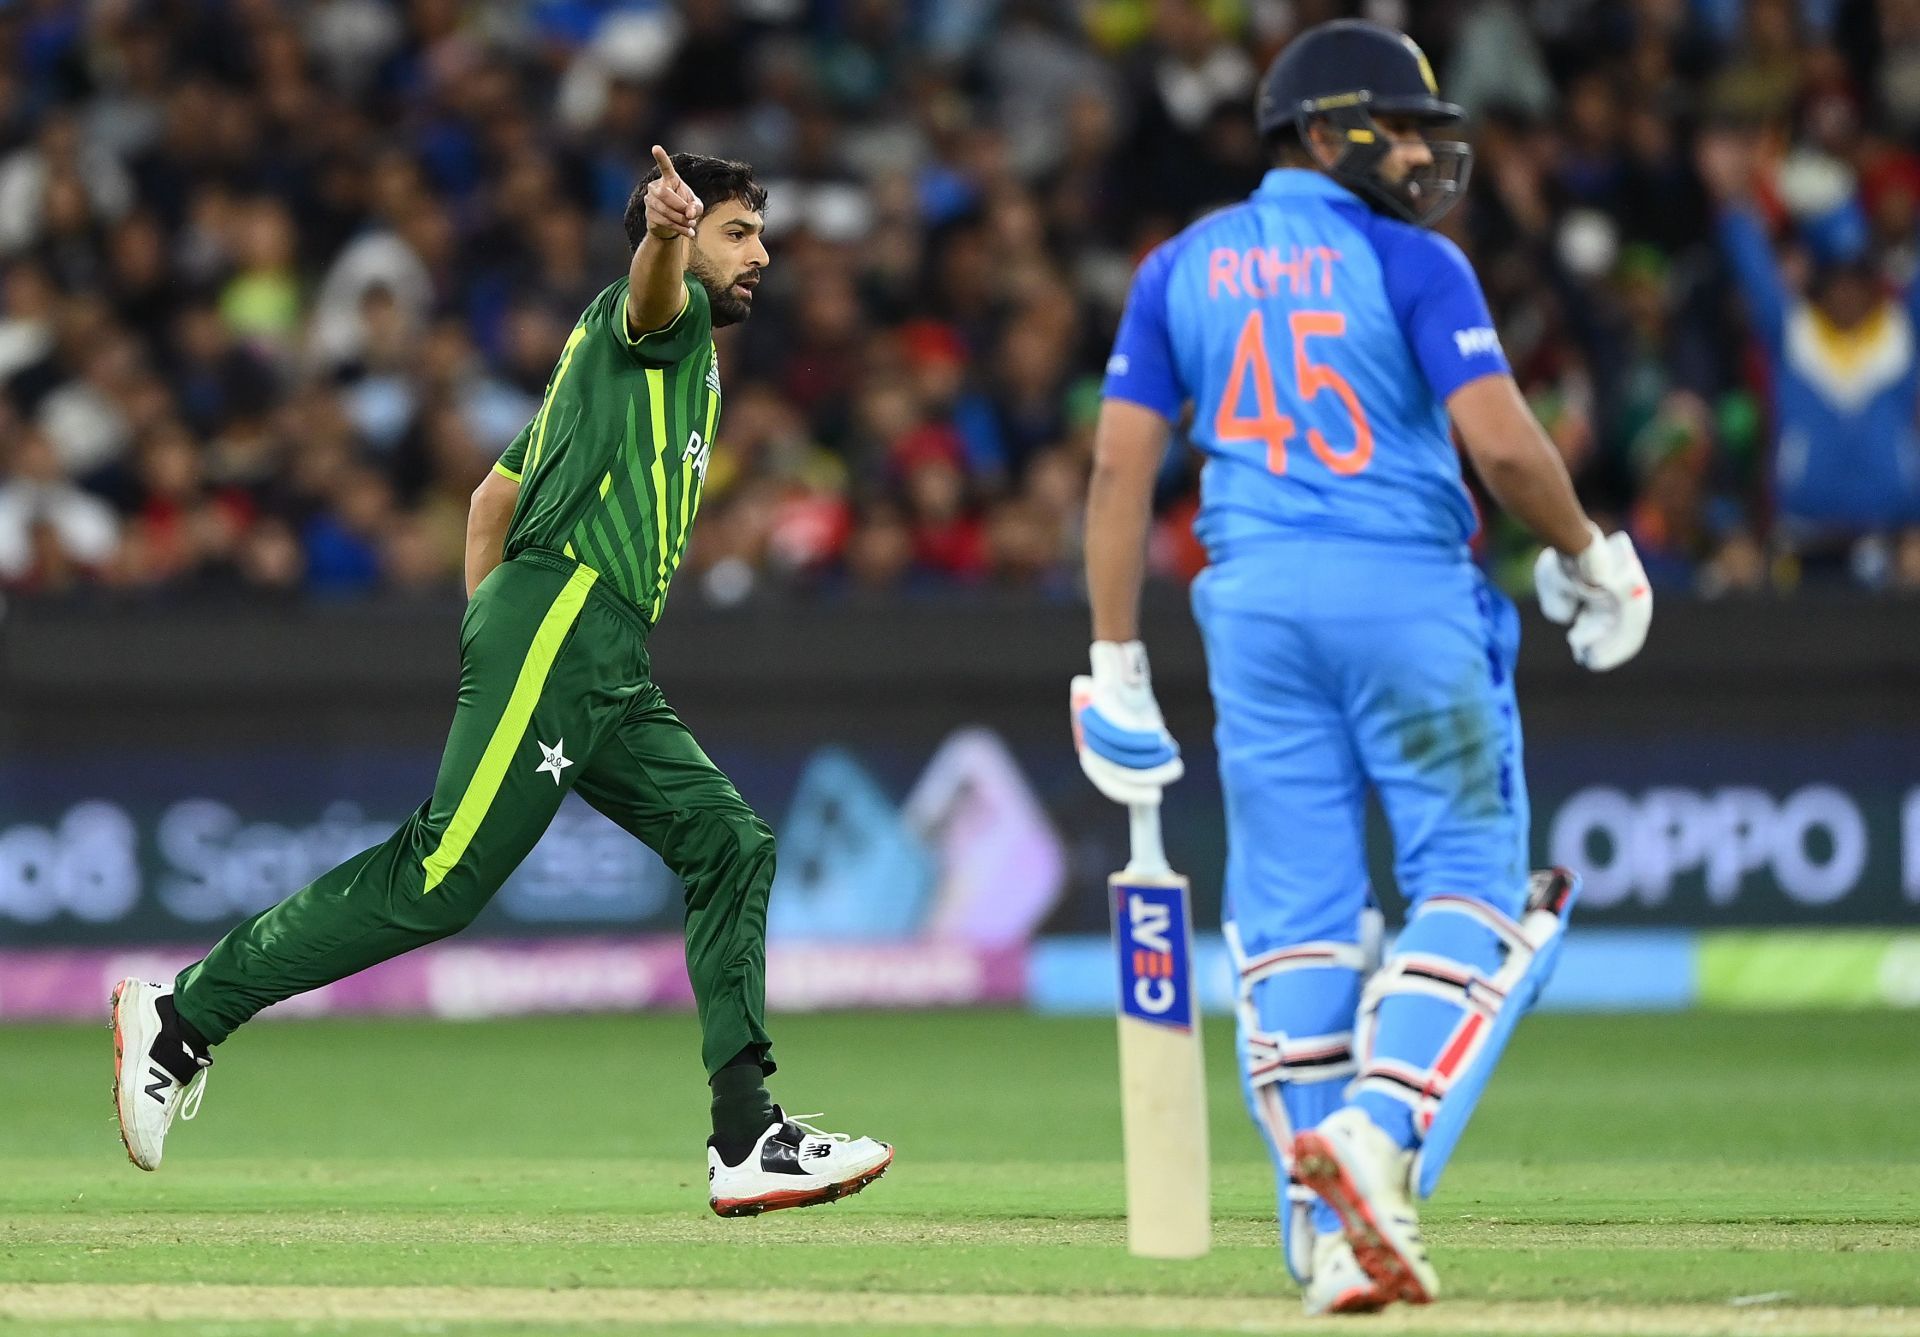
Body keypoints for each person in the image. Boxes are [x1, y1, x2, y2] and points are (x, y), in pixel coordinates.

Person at [110, 148, 894, 1218]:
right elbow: (653, 295)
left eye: (757, 233)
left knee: (729, 841)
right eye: (739, 232)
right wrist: (668, 238)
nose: (762, 253)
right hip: (567, 618)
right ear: (676, 233)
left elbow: (491, 496)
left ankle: (746, 1132)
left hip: (590, 648)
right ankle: (181, 1015)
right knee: (442, 876)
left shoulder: (610, 373)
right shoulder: (661, 322)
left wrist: (493, 638)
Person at [1072, 22, 1650, 1315]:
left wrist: (1114, 657)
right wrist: (1591, 554)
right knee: (1470, 884)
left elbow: (1119, 471)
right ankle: (1380, 1137)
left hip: (1255, 612)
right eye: (1404, 128)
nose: (1430, 152)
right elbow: (1501, 449)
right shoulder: (1414, 261)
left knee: (1294, 923)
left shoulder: (1180, 264)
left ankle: (1324, 1231)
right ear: (1326, 134)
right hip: (1406, 599)